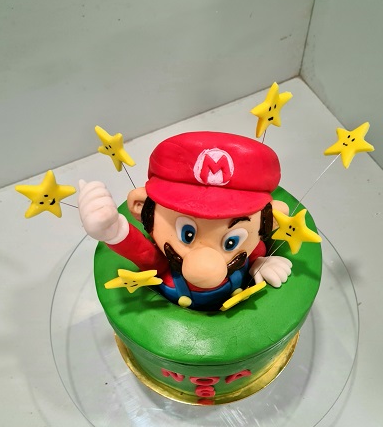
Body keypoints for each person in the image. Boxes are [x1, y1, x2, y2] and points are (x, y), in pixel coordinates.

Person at [79, 132, 292, 310]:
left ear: (272, 220)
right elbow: (143, 254)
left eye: (231, 242)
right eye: (187, 234)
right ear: (140, 207)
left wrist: (261, 263)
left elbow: (256, 252)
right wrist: (112, 230)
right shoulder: (163, 263)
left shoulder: (252, 249)